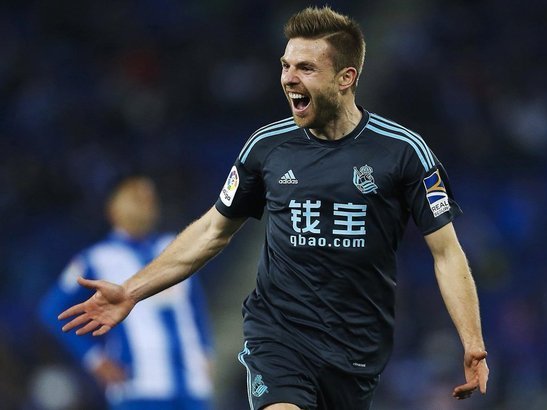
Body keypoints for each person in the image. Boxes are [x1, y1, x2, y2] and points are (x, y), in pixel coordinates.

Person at [58, 7, 489, 409]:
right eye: (286, 65)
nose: (288, 78)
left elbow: (446, 253)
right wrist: (131, 290)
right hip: (279, 339)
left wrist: (472, 343)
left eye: (306, 68)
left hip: (357, 352)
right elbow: (212, 231)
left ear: (346, 77)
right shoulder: (267, 147)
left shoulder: (403, 152)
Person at [40, 176, 214, 410]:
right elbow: (52, 309)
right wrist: (93, 359)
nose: (145, 203)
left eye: (149, 197)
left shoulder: (175, 247)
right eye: (135, 197)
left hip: (192, 386)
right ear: (113, 208)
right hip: (138, 388)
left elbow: (195, 305)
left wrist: (206, 349)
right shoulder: (97, 259)